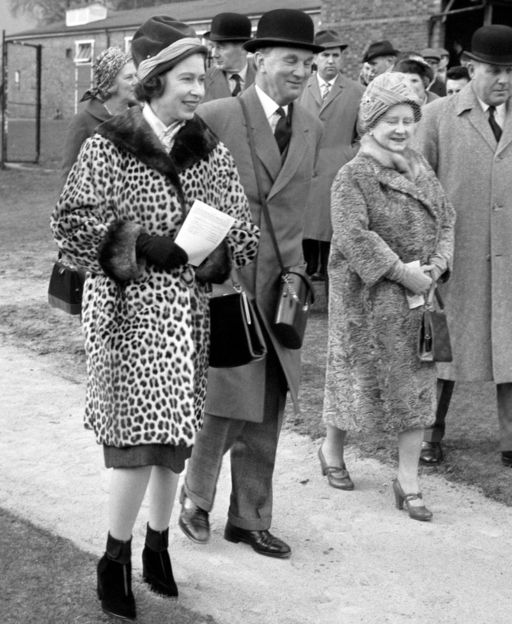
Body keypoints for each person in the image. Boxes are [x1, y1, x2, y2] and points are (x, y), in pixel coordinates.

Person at [51, 16, 259, 620]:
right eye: (188, 79)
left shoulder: (206, 148)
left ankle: (158, 545)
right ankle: (113, 558)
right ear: (155, 80)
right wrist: (140, 243)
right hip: (123, 315)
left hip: (184, 316)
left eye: (204, 78)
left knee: (174, 437)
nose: (199, 90)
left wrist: (207, 250)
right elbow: (71, 225)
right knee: (135, 439)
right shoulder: (108, 144)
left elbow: (243, 232)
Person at [178, 9, 323, 559]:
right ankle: (196, 500)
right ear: (261, 60)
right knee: (225, 398)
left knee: (269, 401)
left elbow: (294, 209)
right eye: (291, 61)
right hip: (226, 282)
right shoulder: (217, 115)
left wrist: (298, 274)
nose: (301, 72)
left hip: (282, 286)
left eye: (308, 64)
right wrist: (204, 265)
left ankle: (249, 517)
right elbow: (181, 194)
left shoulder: (309, 125)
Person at [415, 24, 512, 472]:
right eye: (494, 70)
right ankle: (426, 435)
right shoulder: (437, 115)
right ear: (473, 67)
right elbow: (419, 190)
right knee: (443, 345)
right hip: (454, 257)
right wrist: (427, 254)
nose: (503, 79)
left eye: (510, 70)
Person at [319, 72, 454, 521]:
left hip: (418, 302)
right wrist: (402, 272)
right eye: (390, 120)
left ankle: (408, 480)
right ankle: (332, 449)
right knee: (355, 379)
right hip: (367, 302)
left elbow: (447, 217)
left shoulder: (420, 168)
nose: (400, 129)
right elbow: (353, 237)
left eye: (408, 120)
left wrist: (438, 264)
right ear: (369, 124)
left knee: (416, 388)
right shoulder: (352, 175)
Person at [299, 29, 364, 281]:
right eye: (325, 55)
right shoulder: (300, 86)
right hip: (304, 173)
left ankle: (331, 290)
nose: (330, 61)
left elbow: (364, 135)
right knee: (302, 239)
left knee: (333, 237)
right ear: (315, 58)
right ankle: (300, 293)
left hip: (337, 173)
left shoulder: (356, 91)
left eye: (335, 55)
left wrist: (347, 155)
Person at [60, 47, 136, 182]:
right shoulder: (82, 121)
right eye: (129, 77)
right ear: (110, 84)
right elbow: (69, 175)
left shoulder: (141, 119)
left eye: (137, 76)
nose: (137, 82)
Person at [203, 12, 255, 100]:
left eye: (220, 47)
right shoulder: (203, 81)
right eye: (212, 47)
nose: (214, 55)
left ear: (244, 47)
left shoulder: (265, 78)